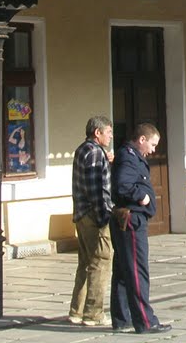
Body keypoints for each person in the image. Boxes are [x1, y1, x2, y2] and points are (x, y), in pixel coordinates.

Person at [110, 122, 171, 334]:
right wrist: (142, 196)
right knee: (137, 271)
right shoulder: (129, 156)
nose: (154, 150)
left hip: (126, 220)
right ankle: (145, 321)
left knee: (123, 271)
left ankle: (122, 318)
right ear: (142, 139)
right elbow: (122, 184)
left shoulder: (131, 155)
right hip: (132, 220)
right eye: (152, 144)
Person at [69, 115, 115, 326]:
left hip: (80, 213)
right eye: (109, 132)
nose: (111, 136)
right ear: (97, 133)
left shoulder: (83, 149)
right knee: (101, 261)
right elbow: (95, 189)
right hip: (93, 214)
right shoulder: (96, 152)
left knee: (85, 263)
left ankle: (76, 311)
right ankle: (94, 313)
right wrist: (103, 216)